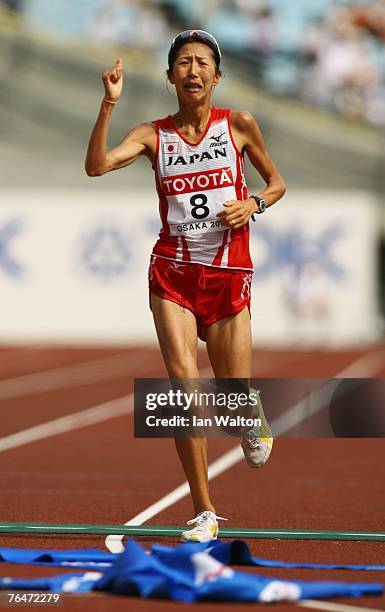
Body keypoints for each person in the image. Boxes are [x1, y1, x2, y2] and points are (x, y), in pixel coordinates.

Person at [85, 30, 286, 543]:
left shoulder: (238, 125)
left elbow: (276, 183)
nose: (192, 71)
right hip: (171, 272)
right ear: (170, 76)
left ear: (216, 77)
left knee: (231, 394)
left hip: (227, 275)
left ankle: (248, 415)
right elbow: (97, 166)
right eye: (182, 63)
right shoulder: (153, 135)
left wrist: (254, 204)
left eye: (202, 64)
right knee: (181, 387)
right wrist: (108, 105)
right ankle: (203, 510)